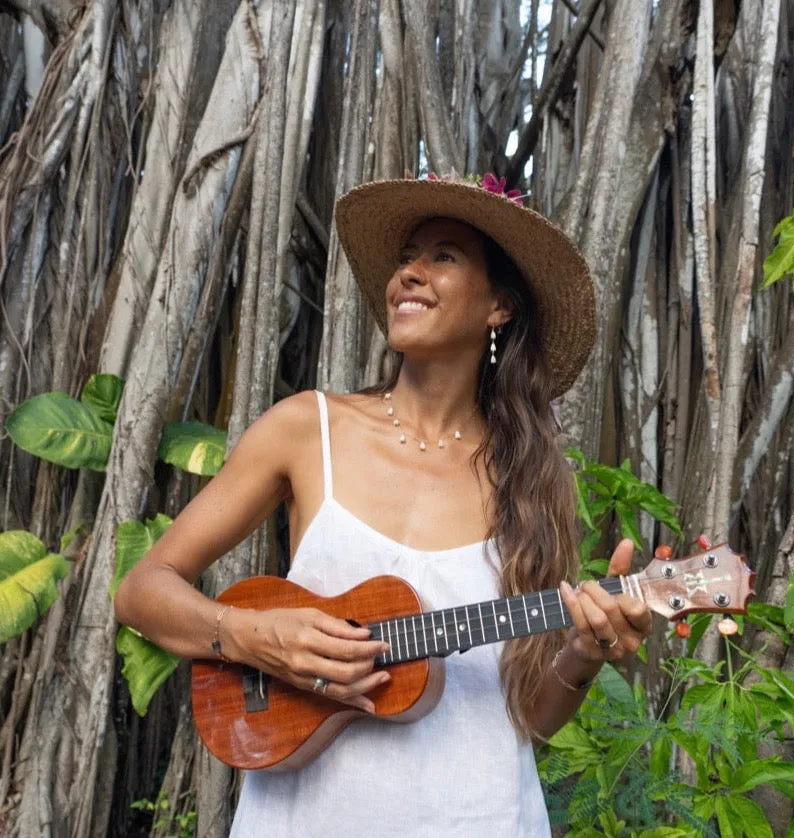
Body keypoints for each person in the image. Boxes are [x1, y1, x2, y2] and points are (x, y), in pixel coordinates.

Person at [114, 172, 653, 836]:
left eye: (443, 256)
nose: (409, 274)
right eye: (406, 259)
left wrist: (586, 651)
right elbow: (142, 590)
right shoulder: (307, 430)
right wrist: (259, 638)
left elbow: (529, 718)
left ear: (499, 308)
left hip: (479, 818)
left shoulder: (531, 483)